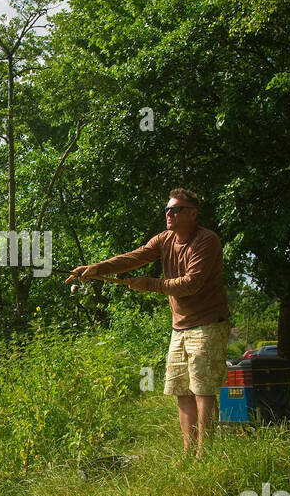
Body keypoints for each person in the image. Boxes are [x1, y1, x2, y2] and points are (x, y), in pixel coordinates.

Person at [65, 188, 231, 456]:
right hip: (180, 327)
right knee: (182, 390)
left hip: (208, 323)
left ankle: (206, 455)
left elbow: (192, 283)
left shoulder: (206, 241)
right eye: (167, 209)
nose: (168, 213)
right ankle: (189, 454)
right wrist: (96, 268)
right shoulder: (164, 239)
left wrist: (149, 284)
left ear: (192, 213)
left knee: (203, 389)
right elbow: (134, 257)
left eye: (175, 209)